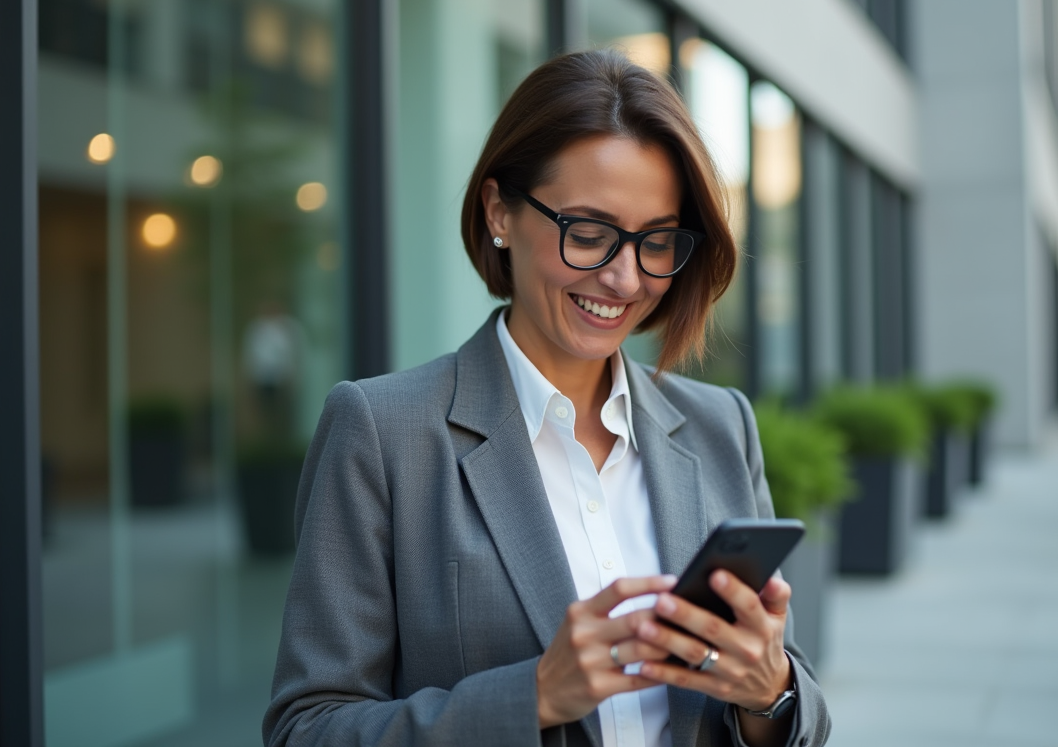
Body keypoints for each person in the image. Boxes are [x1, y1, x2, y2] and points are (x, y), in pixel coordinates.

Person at [264, 50, 831, 747]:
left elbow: (791, 698)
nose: (625, 279)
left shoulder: (721, 427)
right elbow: (307, 728)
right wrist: (529, 696)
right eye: (589, 234)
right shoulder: (384, 434)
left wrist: (767, 695)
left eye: (656, 241)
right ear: (500, 211)